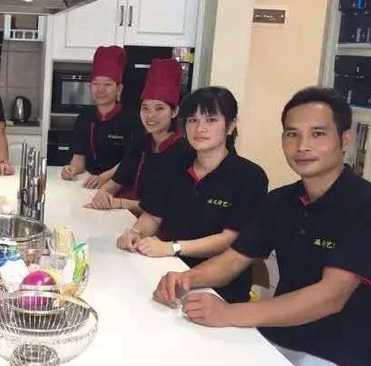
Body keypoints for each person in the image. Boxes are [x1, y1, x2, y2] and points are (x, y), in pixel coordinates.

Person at [152, 87, 371, 366]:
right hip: (273, 337)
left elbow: (330, 296)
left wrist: (229, 313)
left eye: (318, 134)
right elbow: (233, 261)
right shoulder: (280, 201)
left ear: (345, 140)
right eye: (292, 134)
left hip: (338, 360)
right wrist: (184, 278)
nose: (303, 146)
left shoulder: (363, 203)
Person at [117, 86, 268, 303]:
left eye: (210, 120)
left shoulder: (249, 176)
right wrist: (134, 233)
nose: (200, 128)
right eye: (192, 120)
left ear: (231, 125)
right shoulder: (173, 164)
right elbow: (152, 215)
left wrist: (173, 247)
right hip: (164, 269)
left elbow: (229, 239)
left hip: (218, 290)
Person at [88, 58, 192, 214]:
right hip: (129, 216)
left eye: (159, 108)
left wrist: (121, 203)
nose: (151, 115)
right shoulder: (141, 142)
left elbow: (167, 207)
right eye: (145, 108)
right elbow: (117, 181)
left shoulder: (184, 152)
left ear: (174, 112)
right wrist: (103, 192)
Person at [61, 46, 141, 189]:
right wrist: (71, 169)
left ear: (119, 89)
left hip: (121, 186)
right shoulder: (84, 117)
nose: (100, 90)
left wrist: (104, 177)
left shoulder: (133, 120)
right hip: (90, 183)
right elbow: (79, 158)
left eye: (107, 84)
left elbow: (130, 160)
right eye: (95, 84)